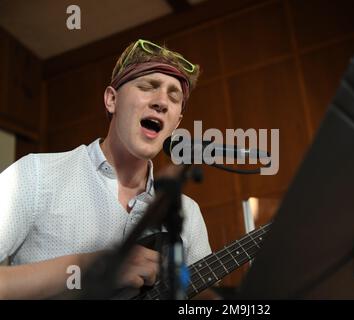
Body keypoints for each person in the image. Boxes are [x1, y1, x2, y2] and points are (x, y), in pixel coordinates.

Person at [0, 39, 212, 299]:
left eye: (173, 96)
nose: (161, 102)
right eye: (148, 87)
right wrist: (87, 267)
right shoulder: (35, 174)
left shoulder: (187, 212)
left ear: (176, 122)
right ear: (112, 100)